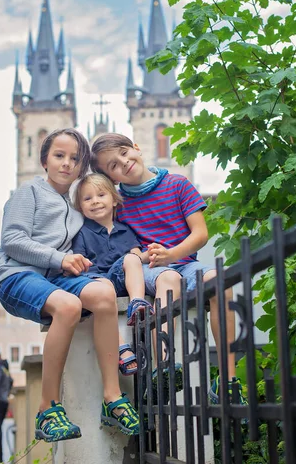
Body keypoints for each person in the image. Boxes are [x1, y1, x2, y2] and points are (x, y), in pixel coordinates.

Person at [0, 128, 139, 442]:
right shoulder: (27, 192)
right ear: (45, 159)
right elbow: (12, 241)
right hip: (16, 275)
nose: (66, 164)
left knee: (103, 293)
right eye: (59, 156)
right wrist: (60, 260)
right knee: (69, 306)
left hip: (53, 279)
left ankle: (112, 398)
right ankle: (48, 410)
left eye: (75, 159)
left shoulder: (76, 208)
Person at [90, 133, 238, 404]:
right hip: (153, 268)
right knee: (168, 279)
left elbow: (200, 234)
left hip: (185, 261)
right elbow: (125, 248)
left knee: (220, 280)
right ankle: (165, 367)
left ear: (136, 147)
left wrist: (173, 253)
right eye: (112, 165)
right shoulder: (119, 205)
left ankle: (228, 380)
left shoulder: (177, 184)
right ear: (112, 178)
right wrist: (150, 257)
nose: (123, 163)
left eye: (124, 153)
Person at [72, 173, 154, 375]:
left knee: (132, 259)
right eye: (87, 198)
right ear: (80, 206)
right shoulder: (81, 232)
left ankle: (137, 303)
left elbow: (136, 255)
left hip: (119, 279)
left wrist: (148, 254)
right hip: (95, 280)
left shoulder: (125, 230)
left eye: (101, 195)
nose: (95, 201)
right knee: (103, 286)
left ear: (114, 200)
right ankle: (121, 347)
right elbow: (80, 263)